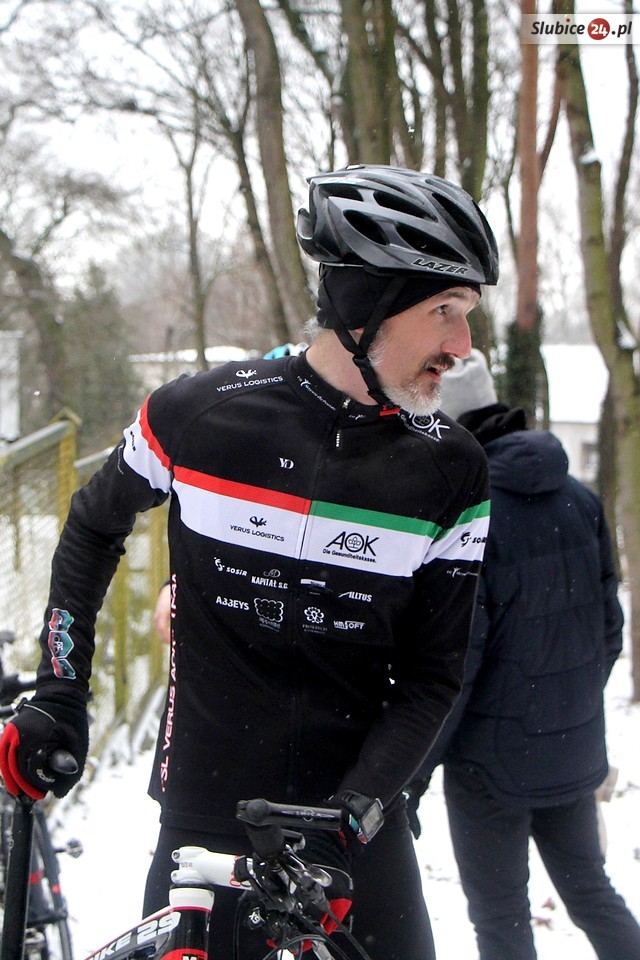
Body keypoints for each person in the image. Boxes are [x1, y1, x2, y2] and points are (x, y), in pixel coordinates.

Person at [0, 165, 499, 960]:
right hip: (207, 821)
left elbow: (434, 677)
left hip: (354, 833)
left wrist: (352, 815)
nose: (462, 346)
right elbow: (93, 525)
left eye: (467, 315)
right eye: (445, 311)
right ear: (367, 303)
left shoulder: (452, 470)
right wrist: (61, 691)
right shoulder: (201, 415)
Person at [406, 350, 640, 960]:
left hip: (489, 767)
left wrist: (415, 771)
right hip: (573, 747)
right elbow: (609, 629)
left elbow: (458, 666)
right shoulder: (580, 500)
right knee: (592, 893)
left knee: (500, 918)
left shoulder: (474, 519)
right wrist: (565, 704)